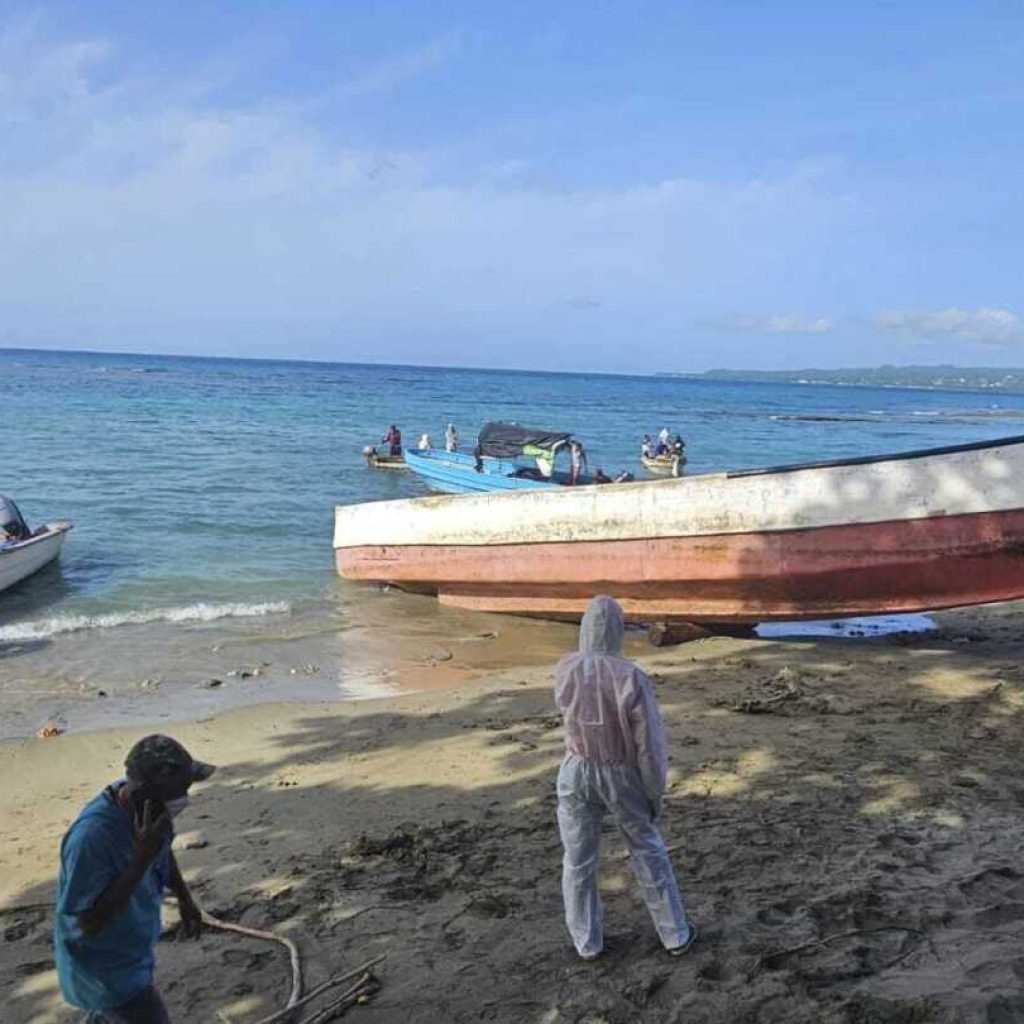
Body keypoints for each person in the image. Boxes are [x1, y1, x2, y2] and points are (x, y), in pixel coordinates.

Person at [555, 596, 695, 961]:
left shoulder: (565, 668)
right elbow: (648, 744)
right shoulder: (631, 676)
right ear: (618, 630)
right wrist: (654, 791)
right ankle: (674, 934)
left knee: (578, 859)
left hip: (575, 767)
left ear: (585, 628)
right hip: (619, 773)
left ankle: (587, 942)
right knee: (647, 850)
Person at [54, 735, 216, 1023]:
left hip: (132, 948)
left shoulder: (151, 816)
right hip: (103, 969)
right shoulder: (92, 839)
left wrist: (185, 899)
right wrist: (141, 859)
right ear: (146, 792)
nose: (184, 799)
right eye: (179, 791)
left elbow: (163, 851)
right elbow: (87, 922)